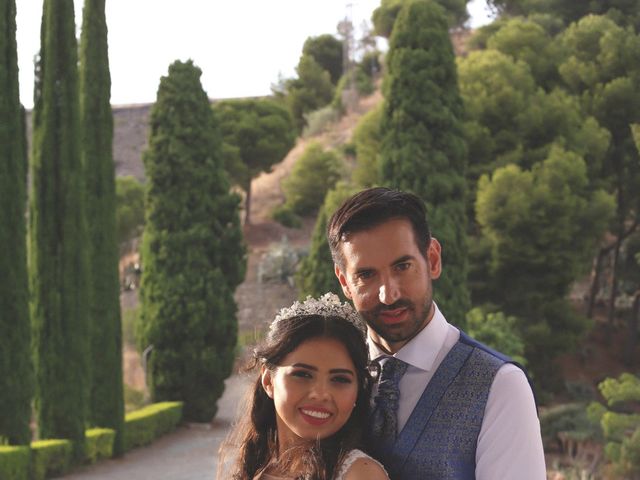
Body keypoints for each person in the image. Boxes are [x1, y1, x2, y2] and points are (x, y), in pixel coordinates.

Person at [327, 187, 546, 479]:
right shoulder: (331, 376)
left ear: (432, 259)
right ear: (344, 281)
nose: (388, 295)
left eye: (402, 266)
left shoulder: (500, 385)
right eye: (366, 275)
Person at [218, 293, 390, 480]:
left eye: (340, 379)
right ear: (268, 380)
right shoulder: (256, 465)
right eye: (302, 374)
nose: (320, 394)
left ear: (358, 391)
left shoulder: (360, 474)